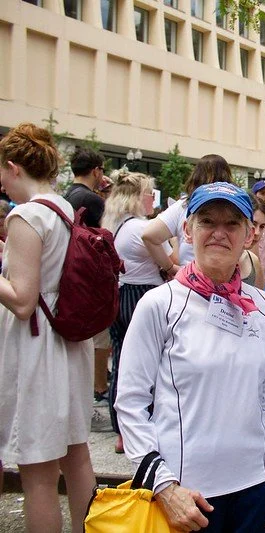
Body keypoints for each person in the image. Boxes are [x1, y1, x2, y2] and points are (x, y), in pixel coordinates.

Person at [116, 182, 265, 532]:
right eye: (207, 221)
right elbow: (129, 403)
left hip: (257, 490)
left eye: (232, 223)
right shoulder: (159, 305)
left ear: (250, 236)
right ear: (187, 231)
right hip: (187, 496)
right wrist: (163, 486)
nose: (219, 233)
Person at [0, 123, 96, 532]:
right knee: (76, 453)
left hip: (38, 348)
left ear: (12, 167)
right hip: (70, 341)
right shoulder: (62, 209)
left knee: (37, 468)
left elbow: (22, 300)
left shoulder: (26, 214)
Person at [100, 169, 163, 455]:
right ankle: (136, 427)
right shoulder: (141, 228)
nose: (153, 200)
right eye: (151, 195)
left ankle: (121, 430)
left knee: (123, 361)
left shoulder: (116, 225)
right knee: (145, 365)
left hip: (121, 293)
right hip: (142, 294)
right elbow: (169, 260)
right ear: (139, 197)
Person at [65, 146, 114, 410]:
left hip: (71, 274)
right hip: (89, 276)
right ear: (96, 171)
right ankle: (97, 388)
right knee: (96, 338)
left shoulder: (66, 195)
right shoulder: (93, 200)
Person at [142, 154, 232, 275]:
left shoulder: (183, 206)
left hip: (190, 282)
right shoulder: (235, 208)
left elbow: (149, 235)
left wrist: (171, 268)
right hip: (226, 281)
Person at [240, 192, 265, 288]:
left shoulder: (253, 261)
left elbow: (260, 299)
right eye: (253, 224)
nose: (257, 232)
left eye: (262, 226)